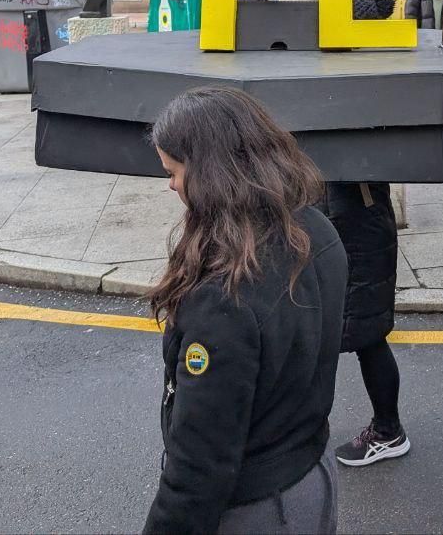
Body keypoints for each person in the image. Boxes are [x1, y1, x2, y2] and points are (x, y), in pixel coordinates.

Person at [143, 87, 348, 535]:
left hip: (258, 510)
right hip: (314, 475)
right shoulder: (318, 229)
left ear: (208, 173)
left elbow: (199, 466)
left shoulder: (222, 299)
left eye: (173, 171)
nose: (171, 185)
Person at [329, 0, 412, 467]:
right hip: (343, 220)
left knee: (363, 335)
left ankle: (388, 430)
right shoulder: (361, 75)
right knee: (336, 334)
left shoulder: (368, 80)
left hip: (358, 227)